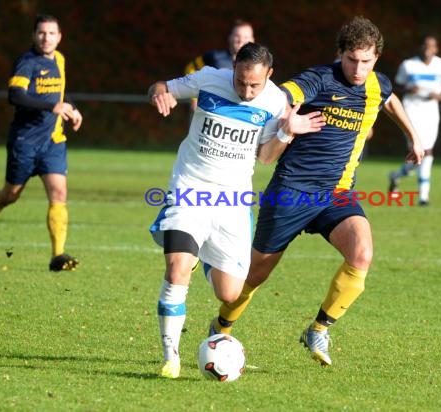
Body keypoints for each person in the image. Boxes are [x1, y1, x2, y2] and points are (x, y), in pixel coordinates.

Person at [208, 16, 424, 366]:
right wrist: (286, 121)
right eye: (352, 59)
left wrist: (413, 137)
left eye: (366, 61)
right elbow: (280, 94)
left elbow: (390, 100)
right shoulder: (319, 78)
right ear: (340, 54)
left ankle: (319, 328)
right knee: (256, 274)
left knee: (362, 254)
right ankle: (221, 326)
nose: (358, 68)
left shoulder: (376, 85)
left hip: (337, 193)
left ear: (376, 59)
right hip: (291, 190)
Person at [147, 42, 325, 379]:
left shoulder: (275, 102)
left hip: (232, 201)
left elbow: (266, 157)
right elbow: (160, 86)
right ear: (233, 69)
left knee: (229, 292)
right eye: (241, 81)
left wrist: (287, 131)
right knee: (176, 270)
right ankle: (171, 356)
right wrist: (160, 93)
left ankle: (200, 253)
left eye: (254, 84)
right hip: (191, 188)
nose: (246, 90)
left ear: (269, 75)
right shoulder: (209, 79)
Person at [0, 14, 83, 271]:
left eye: (51, 33)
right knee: (10, 195)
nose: (46, 38)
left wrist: (72, 108)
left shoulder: (59, 59)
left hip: (53, 142)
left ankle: (58, 256)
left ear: (59, 37)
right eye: (41, 33)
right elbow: (15, 95)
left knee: (59, 193)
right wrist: (52, 106)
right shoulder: (27, 62)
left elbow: (60, 92)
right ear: (34, 36)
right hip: (24, 142)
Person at [388, 35, 441, 205]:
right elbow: (395, 88)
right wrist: (409, 88)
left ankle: (396, 176)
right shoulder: (408, 65)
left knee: (426, 151)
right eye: (425, 46)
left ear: (436, 49)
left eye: (431, 46)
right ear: (420, 47)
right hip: (411, 109)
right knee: (420, 151)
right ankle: (423, 197)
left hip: (430, 110)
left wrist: (439, 96)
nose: (427, 50)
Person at [184, 19, 255, 112]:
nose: (241, 40)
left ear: (253, 40)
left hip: (242, 114)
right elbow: (190, 68)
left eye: (246, 37)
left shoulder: (258, 65)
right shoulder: (215, 57)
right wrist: (194, 96)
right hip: (212, 110)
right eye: (237, 36)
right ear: (230, 37)